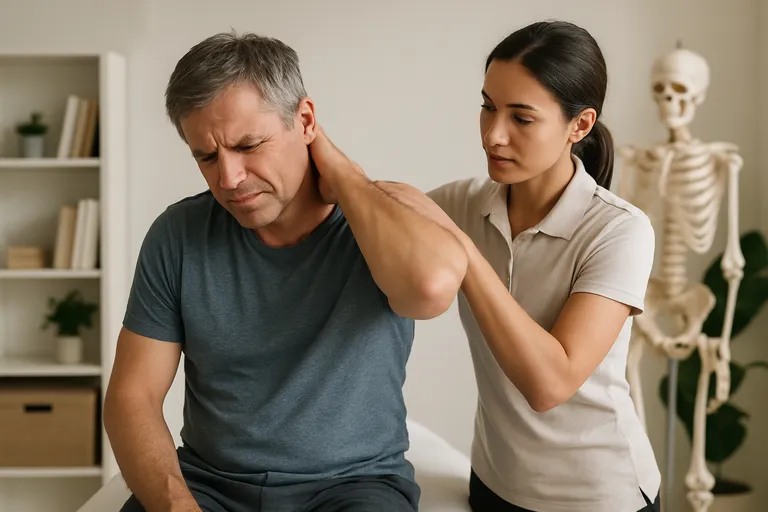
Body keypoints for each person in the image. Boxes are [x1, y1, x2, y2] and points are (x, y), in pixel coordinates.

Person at [103, 32, 468, 512]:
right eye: (207, 157)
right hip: (211, 485)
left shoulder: (383, 222)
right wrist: (177, 504)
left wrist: (344, 176)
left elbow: (430, 291)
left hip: (353, 488)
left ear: (306, 120)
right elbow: (132, 396)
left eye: (249, 145)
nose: (228, 178)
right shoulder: (178, 235)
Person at [420, 20, 662, 512]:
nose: (493, 134)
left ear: (581, 125)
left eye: (521, 118)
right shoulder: (459, 205)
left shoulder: (620, 231)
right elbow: (360, 221)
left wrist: (465, 254)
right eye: (488, 106)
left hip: (599, 497)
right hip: (492, 486)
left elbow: (550, 384)